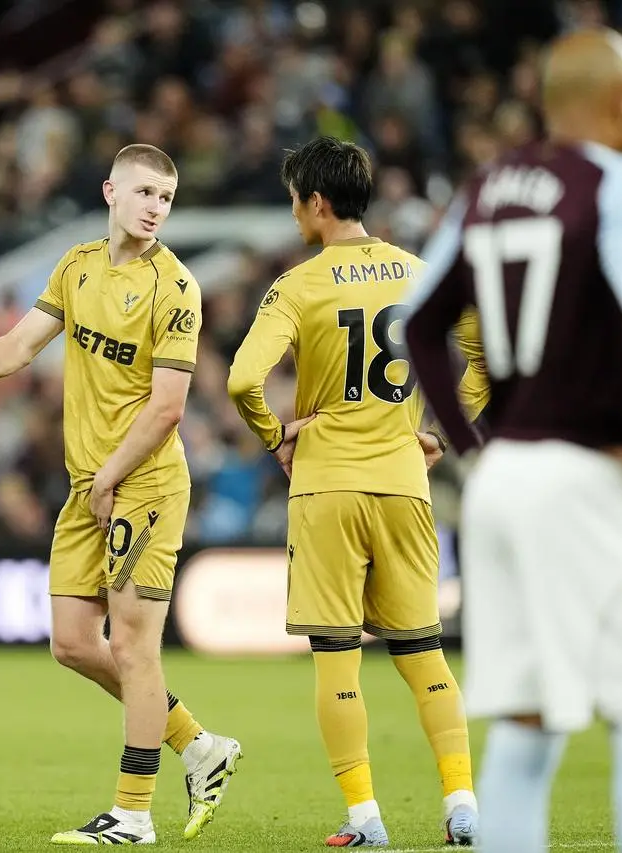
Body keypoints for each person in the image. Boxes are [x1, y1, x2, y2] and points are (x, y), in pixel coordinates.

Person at [403, 27, 622, 853]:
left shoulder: (484, 186)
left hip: (504, 483)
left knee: (524, 735)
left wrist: (474, 444)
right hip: (594, 482)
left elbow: (418, 326)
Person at [0, 144, 242, 846]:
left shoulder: (176, 288)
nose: (155, 208)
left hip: (142, 482)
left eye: (166, 199)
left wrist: (113, 474)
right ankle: (200, 745)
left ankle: (133, 814)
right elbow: (26, 342)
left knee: (132, 646)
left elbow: (168, 408)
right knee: (69, 643)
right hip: (90, 485)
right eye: (145, 193)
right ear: (110, 190)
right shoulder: (77, 265)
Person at [226, 136, 486, 848]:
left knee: (337, 657)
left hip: (327, 488)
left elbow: (242, 380)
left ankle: (365, 817)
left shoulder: (299, 284)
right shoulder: (418, 273)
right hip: (404, 484)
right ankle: (461, 802)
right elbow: (487, 350)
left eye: (293, 199)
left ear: (315, 202)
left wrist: (273, 434)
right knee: (423, 653)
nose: (292, 211)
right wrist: (436, 430)